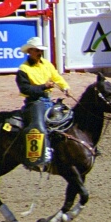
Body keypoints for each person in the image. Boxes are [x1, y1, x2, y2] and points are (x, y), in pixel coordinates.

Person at [16, 37, 70, 166]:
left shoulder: (47, 64)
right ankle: (40, 156)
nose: (39, 52)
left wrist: (65, 87)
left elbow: (56, 76)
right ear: (29, 51)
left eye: (40, 50)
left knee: (66, 120)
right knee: (38, 126)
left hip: (47, 99)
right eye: (36, 50)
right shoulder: (23, 69)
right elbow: (25, 89)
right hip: (34, 102)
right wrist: (44, 87)